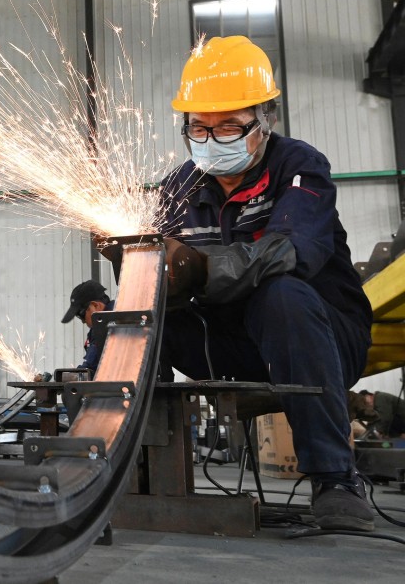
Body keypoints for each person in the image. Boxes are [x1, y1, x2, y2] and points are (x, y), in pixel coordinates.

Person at [153, 35, 374, 531]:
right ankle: (137, 460)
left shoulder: (299, 167)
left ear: (264, 118)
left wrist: (200, 268)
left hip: (318, 339)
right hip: (228, 345)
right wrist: (145, 269)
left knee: (282, 294)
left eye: (230, 125)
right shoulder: (177, 187)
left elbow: (291, 251)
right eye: (200, 127)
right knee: (141, 315)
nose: (213, 138)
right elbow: (156, 270)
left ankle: (336, 479)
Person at [61, 279, 114, 377]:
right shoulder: (103, 325)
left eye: (81, 315)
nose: (83, 321)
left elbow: (89, 369)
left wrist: (63, 377)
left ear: (95, 305)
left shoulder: (108, 326)